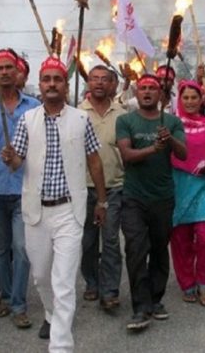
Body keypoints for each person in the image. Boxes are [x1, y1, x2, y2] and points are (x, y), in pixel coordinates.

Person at [1, 56, 107, 353]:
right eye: (46, 79)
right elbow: (17, 161)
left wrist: (102, 201)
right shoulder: (27, 120)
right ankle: (50, 313)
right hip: (36, 212)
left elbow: (95, 162)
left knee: (63, 282)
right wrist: (10, 159)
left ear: (65, 84)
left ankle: (60, 345)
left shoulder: (81, 119)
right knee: (41, 277)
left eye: (56, 79)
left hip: (69, 212)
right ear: (40, 83)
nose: (51, 84)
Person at [116, 74, 187, 331]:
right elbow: (126, 155)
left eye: (152, 89)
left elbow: (183, 153)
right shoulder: (125, 120)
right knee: (135, 249)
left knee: (159, 249)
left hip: (163, 197)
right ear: (136, 92)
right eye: (143, 88)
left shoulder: (172, 121)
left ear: (160, 95)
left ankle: (156, 299)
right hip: (134, 197)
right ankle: (140, 307)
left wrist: (170, 140)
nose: (147, 92)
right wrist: (152, 149)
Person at [0, 49, 39, 329]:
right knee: (0, 250)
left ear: (18, 72)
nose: (4, 72)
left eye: (8, 68)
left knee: (22, 248)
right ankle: (4, 293)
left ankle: (18, 304)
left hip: (25, 187)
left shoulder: (33, 106)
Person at [170, 80, 205, 306]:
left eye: (195, 97)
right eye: (186, 98)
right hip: (178, 184)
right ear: (179, 100)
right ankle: (187, 284)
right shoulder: (172, 124)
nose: (191, 101)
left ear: (202, 99)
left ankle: (204, 283)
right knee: (181, 239)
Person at [79, 65, 126, 310]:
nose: (99, 83)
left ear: (112, 84)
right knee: (87, 241)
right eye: (94, 79)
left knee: (110, 241)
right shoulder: (77, 113)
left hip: (114, 187)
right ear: (88, 83)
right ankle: (92, 282)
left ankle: (110, 290)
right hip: (83, 187)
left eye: (104, 79)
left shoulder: (122, 114)